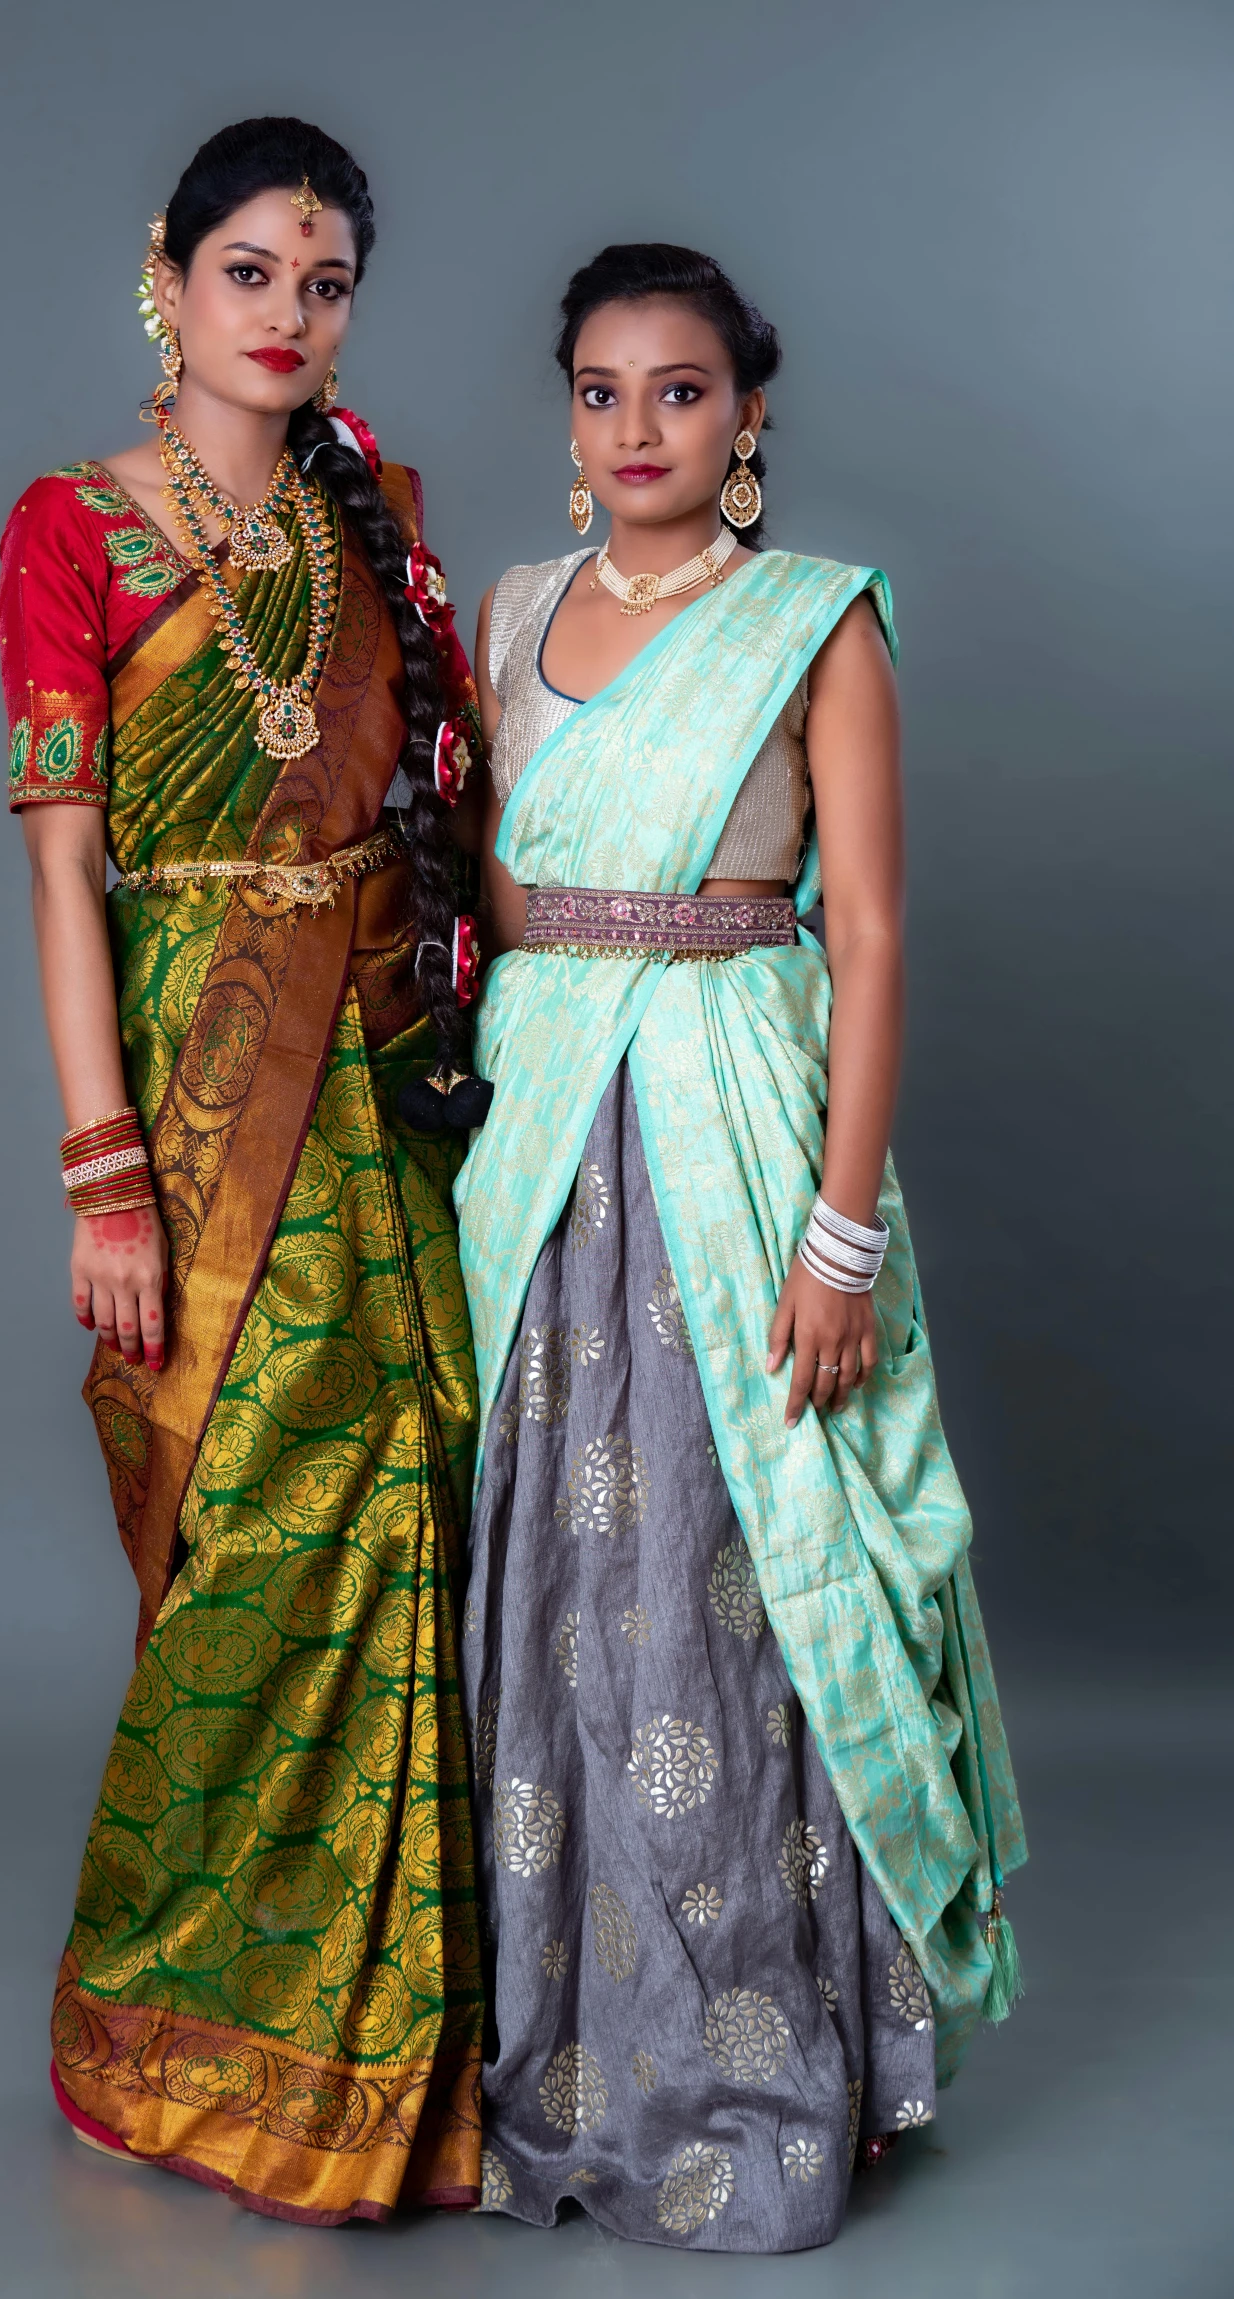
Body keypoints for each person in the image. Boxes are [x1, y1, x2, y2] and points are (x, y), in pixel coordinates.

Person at [454, 242, 1025, 2252]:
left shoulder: (811, 624)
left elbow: (863, 937)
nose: (636, 431)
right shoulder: (514, 613)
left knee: (729, 1580)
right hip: (537, 1145)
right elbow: (482, 890)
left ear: (749, 417)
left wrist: (843, 1243)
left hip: (730, 1135)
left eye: (679, 393)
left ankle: (768, 2058)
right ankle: (557, 2053)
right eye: (601, 392)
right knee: (546, 1583)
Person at [0, 116, 489, 2226]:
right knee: (245, 1558)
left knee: (412, 1502)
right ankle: (181, 2007)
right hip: (200, 1106)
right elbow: (62, 874)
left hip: (380, 1093)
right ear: (168, 279)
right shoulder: (71, 530)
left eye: (327, 281)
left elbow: (454, 821)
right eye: (253, 274)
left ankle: (390, 2048)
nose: (291, 317)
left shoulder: (381, 519)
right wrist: (106, 1172)